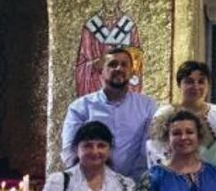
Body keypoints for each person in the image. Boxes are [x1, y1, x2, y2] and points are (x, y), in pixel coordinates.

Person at [61, 46, 157, 178]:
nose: (119, 68)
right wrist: (86, 181)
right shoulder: (80, 107)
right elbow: (69, 149)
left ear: (131, 72)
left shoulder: (147, 106)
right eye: (112, 64)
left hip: (135, 184)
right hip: (90, 185)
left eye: (124, 65)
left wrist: (132, 183)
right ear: (101, 71)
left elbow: (149, 149)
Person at [148, 60, 216, 168]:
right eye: (189, 82)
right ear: (179, 84)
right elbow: (154, 150)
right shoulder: (165, 113)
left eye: (201, 81)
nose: (196, 86)